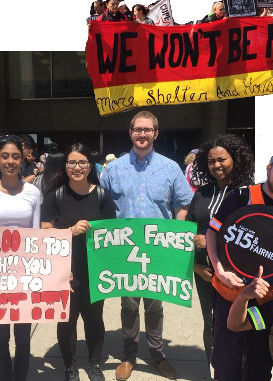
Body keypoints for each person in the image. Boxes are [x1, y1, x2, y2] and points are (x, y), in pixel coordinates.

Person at [100, 110, 193, 381]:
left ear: (155, 133)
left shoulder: (170, 168)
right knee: (128, 306)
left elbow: (181, 205)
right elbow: (103, 207)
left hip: (158, 251)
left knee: (155, 307)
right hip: (125, 252)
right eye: (137, 129)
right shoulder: (113, 169)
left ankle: (156, 354)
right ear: (130, 133)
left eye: (147, 130)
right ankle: (129, 356)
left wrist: (177, 241)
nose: (142, 134)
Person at [205, 146, 273, 381]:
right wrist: (219, 270)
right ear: (269, 169)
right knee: (227, 364)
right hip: (231, 295)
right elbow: (212, 232)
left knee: (259, 365)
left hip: (266, 301)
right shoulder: (243, 196)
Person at [41, 143, 116, 381]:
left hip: (95, 271)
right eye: (72, 162)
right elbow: (45, 233)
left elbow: (114, 233)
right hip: (66, 271)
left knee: (94, 319)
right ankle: (70, 365)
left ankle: (94, 364)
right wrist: (70, 231)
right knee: (67, 319)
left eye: (82, 162)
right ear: (65, 166)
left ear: (90, 166)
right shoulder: (56, 195)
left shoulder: (103, 195)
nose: (77, 167)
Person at [186, 135, 254, 373]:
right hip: (204, 273)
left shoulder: (249, 193)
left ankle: (236, 373)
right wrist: (195, 266)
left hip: (237, 275)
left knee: (236, 323)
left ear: (235, 159)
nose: (217, 165)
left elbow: (253, 234)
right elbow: (188, 231)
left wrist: (213, 240)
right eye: (211, 161)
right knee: (210, 323)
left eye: (222, 159)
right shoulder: (201, 194)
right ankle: (214, 372)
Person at [0, 135, 41, 381]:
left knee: (23, 338)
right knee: (1, 337)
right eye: (5, 156)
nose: (10, 161)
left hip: (25, 274)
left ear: (22, 159)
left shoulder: (33, 192)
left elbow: (36, 235)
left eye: (15, 156)